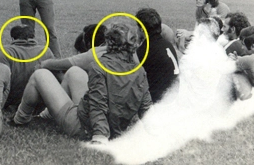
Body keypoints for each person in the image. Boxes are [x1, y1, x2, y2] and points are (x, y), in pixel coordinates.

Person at [12, 22, 153, 144]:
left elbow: (98, 104)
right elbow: (146, 105)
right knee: (74, 71)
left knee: (40, 75)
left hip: (84, 126)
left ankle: (20, 119)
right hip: (114, 124)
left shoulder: (100, 66)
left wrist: (100, 137)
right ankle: (47, 115)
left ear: (109, 42)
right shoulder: (139, 69)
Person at [0, 24, 54, 108]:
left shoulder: (4, 52)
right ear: (33, 37)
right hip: (39, 100)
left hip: (11, 100)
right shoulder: (46, 51)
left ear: (13, 38)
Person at [135, 8, 179, 103]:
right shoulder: (167, 44)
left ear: (142, 30)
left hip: (158, 103)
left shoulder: (144, 50)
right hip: (174, 97)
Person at [41, 24, 107, 73]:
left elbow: (57, 64)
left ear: (89, 43)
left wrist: (43, 63)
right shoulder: (111, 48)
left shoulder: (93, 54)